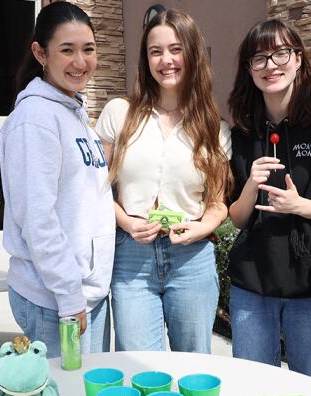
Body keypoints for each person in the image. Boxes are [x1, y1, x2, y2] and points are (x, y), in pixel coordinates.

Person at [96, 9, 231, 353]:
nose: (166, 60)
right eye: (155, 51)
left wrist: (201, 229)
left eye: (175, 49)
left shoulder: (214, 127)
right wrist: (126, 221)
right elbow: (94, 189)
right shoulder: (118, 113)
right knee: (142, 371)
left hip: (191, 258)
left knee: (194, 371)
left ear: (192, 54)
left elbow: (217, 203)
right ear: (145, 59)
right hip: (132, 258)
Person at [226, 19, 311, 377]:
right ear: (249, 69)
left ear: (299, 59)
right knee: (253, 390)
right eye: (259, 58)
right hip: (252, 285)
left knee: (310, 393)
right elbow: (237, 218)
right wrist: (249, 187)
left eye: (280, 54)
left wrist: (302, 207)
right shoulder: (241, 133)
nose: (270, 65)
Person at [0, 2, 114, 357]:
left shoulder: (73, 112)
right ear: (40, 53)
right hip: (55, 300)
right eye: (67, 50)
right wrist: (68, 295)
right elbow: (37, 217)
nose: (80, 62)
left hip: (83, 292)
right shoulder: (34, 119)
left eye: (88, 49)